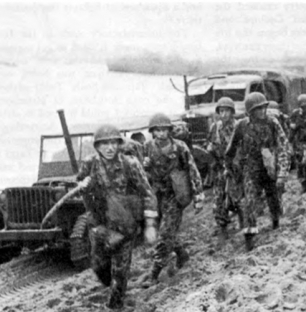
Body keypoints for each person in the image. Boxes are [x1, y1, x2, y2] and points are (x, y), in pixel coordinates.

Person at [76, 124, 158, 309]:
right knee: (98, 267)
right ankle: (113, 287)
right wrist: (84, 185)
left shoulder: (130, 164)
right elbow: (80, 187)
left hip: (125, 224)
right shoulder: (90, 164)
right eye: (105, 143)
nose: (110, 147)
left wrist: (150, 225)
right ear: (97, 146)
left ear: (119, 144)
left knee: (120, 272)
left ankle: (115, 305)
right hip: (100, 225)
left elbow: (147, 194)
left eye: (113, 142)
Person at [141, 113, 204, 288]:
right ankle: (182, 254)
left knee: (165, 233)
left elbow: (192, 170)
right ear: (152, 132)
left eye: (164, 130)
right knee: (167, 229)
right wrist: (145, 166)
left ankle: (154, 272)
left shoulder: (180, 147)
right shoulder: (147, 147)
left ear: (170, 131)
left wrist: (198, 196)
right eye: (157, 130)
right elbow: (142, 174)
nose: (161, 134)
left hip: (175, 195)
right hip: (157, 195)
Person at [225, 92, 290, 251]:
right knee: (249, 201)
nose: (262, 111)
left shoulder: (272, 123)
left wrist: (282, 173)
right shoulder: (242, 126)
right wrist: (229, 168)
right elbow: (231, 149)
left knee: (273, 197)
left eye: (263, 108)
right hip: (250, 167)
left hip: (269, 165)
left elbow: (283, 148)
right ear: (250, 112)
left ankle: (275, 221)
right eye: (257, 109)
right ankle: (249, 237)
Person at [207, 97, 244, 245]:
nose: (223, 114)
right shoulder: (215, 128)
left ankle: (243, 222)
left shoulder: (239, 126)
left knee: (239, 197)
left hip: (236, 168)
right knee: (218, 200)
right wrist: (210, 150)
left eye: (226, 111)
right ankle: (222, 227)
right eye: (221, 111)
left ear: (232, 112)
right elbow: (209, 144)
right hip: (220, 168)